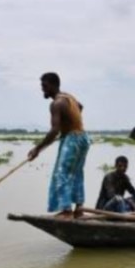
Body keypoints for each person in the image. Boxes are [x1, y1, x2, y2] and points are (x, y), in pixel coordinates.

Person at [28, 72, 90, 218]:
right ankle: (79, 208)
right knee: (77, 173)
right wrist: (68, 125)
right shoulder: (69, 98)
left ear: (54, 85)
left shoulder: (56, 104)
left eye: (45, 86)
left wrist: (37, 148)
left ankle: (66, 211)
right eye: (42, 86)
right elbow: (80, 107)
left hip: (73, 140)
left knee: (61, 173)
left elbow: (54, 130)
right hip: (83, 138)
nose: (43, 89)